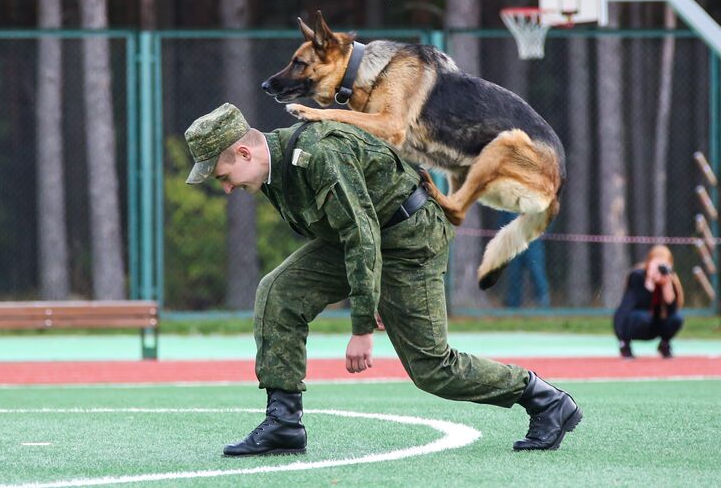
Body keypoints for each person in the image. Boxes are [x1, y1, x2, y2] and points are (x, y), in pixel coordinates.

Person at [184, 102, 582, 456]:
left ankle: (544, 400)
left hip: (411, 238)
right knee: (278, 292)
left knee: (432, 368)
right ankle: (283, 424)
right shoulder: (271, 173)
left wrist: (362, 325)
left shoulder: (319, 154)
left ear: (243, 152)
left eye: (223, 175)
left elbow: (362, 234)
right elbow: (346, 233)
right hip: (365, 238)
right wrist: (366, 288)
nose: (226, 188)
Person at [613, 245, 685, 358]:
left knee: (677, 318)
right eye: (657, 265)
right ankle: (624, 344)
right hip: (631, 323)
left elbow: (672, 311)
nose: (660, 269)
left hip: (653, 324)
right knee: (644, 317)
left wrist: (666, 286)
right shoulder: (637, 276)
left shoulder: (670, 280)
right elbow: (638, 305)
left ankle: (664, 344)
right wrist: (649, 283)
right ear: (649, 263)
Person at [498, 211, 551, 308]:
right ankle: (513, 305)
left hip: (533, 243)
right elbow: (503, 221)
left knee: (536, 272)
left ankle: (543, 303)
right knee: (514, 274)